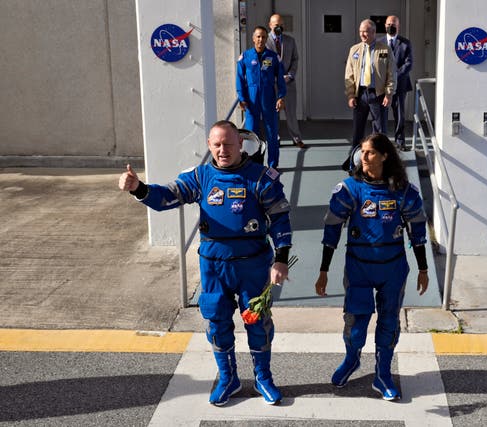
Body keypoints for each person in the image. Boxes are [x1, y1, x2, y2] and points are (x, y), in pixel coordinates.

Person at [118, 120, 292, 406]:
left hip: (253, 265)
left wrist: (282, 259)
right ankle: (228, 378)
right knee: (217, 322)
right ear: (209, 146)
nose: (223, 150)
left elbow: (280, 218)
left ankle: (263, 378)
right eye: (217, 144)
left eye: (228, 144)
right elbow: (166, 197)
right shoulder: (199, 177)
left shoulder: (261, 178)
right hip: (214, 266)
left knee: (258, 323)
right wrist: (138, 188)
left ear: (240, 145)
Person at [314, 133, 428, 401]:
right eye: (362, 152)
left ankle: (383, 374)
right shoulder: (349, 189)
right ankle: (351, 359)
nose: (363, 157)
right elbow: (331, 231)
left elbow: (418, 232)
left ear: (385, 156)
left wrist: (423, 269)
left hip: (393, 268)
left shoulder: (404, 192)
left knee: (389, 322)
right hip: (359, 268)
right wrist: (323, 271)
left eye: (370, 152)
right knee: (356, 323)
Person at [343, 19, 396, 171]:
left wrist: (389, 93)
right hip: (361, 95)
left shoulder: (384, 50)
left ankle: (382, 163)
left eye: (365, 31)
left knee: (379, 131)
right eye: (361, 31)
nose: (362, 34)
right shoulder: (354, 49)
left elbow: (391, 74)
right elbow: (349, 74)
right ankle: (355, 162)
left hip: (378, 95)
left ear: (373, 32)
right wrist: (351, 95)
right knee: (357, 130)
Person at [237, 26, 287, 169]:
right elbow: (239, 79)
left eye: (263, 37)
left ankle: (273, 165)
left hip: (268, 98)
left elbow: (281, 80)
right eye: (258, 36)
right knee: (251, 134)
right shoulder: (245, 56)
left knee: (272, 132)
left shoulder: (273, 57)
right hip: (251, 100)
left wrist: (281, 97)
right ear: (253, 38)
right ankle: (253, 164)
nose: (260, 39)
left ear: (266, 39)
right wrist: (242, 98)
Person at [266, 13, 307, 149]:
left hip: (288, 84)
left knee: (291, 113)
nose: (279, 27)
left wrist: (290, 75)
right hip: (272, 85)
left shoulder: (290, 40)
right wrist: (275, 77)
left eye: (281, 25)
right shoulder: (264, 41)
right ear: (270, 25)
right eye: (276, 25)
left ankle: (296, 138)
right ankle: (275, 139)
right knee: (274, 114)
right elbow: (263, 64)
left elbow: (295, 59)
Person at [381, 15, 413, 151]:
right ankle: (381, 141)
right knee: (380, 114)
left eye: (393, 24)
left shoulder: (406, 43)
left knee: (399, 114)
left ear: (398, 26)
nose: (391, 26)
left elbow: (409, 64)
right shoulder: (379, 43)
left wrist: (394, 77)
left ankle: (400, 141)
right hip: (381, 86)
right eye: (388, 24)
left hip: (400, 85)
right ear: (384, 25)